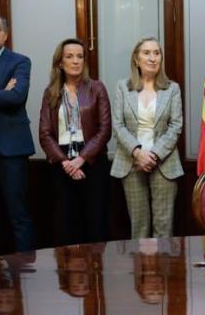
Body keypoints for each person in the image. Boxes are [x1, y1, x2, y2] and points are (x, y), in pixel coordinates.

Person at [38, 38, 112, 246]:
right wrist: (66, 163)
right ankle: (68, 267)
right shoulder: (51, 93)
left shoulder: (97, 88)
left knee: (95, 221)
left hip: (92, 160)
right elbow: (45, 133)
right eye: (69, 57)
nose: (75, 61)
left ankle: (96, 266)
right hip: (61, 162)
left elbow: (105, 129)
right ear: (60, 63)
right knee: (66, 221)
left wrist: (81, 159)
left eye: (80, 56)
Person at [111, 37, 184, 238]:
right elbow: (118, 125)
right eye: (146, 53)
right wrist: (138, 153)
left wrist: (153, 155)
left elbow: (175, 126)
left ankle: (162, 261)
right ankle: (141, 261)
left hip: (164, 163)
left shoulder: (172, 88)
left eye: (156, 53)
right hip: (131, 163)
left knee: (163, 227)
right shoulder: (122, 87)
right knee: (139, 227)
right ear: (136, 59)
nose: (152, 58)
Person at [0, 12, 35, 256]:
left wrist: (8, 95)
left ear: (6, 35)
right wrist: (2, 93)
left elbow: (17, 97)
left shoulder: (20, 61)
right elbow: (6, 97)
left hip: (11, 148)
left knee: (18, 213)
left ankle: (26, 268)